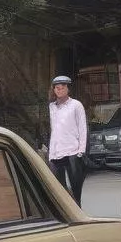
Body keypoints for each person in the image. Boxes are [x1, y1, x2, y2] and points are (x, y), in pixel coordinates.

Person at [48, 75, 88, 204]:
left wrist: (81, 150)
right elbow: (53, 130)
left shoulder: (76, 105)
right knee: (58, 188)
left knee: (76, 186)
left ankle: (78, 211)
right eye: (57, 88)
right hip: (56, 152)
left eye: (62, 88)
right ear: (54, 90)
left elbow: (82, 128)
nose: (59, 90)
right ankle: (66, 213)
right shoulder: (51, 107)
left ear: (68, 89)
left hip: (73, 151)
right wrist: (50, 153)